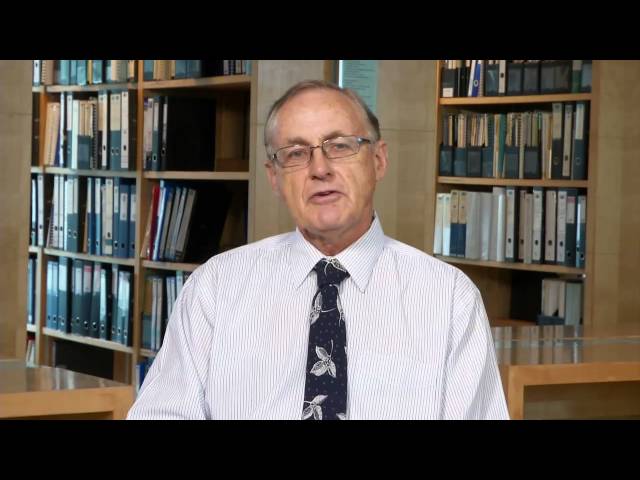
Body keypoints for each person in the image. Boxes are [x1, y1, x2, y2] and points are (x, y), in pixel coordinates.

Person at [127, 80, 509, 420]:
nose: (319, 168)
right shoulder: (216, 286)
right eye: (295, 153)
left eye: (339, 146)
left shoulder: (449, 298)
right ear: (274, 178)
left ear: (378, 161)